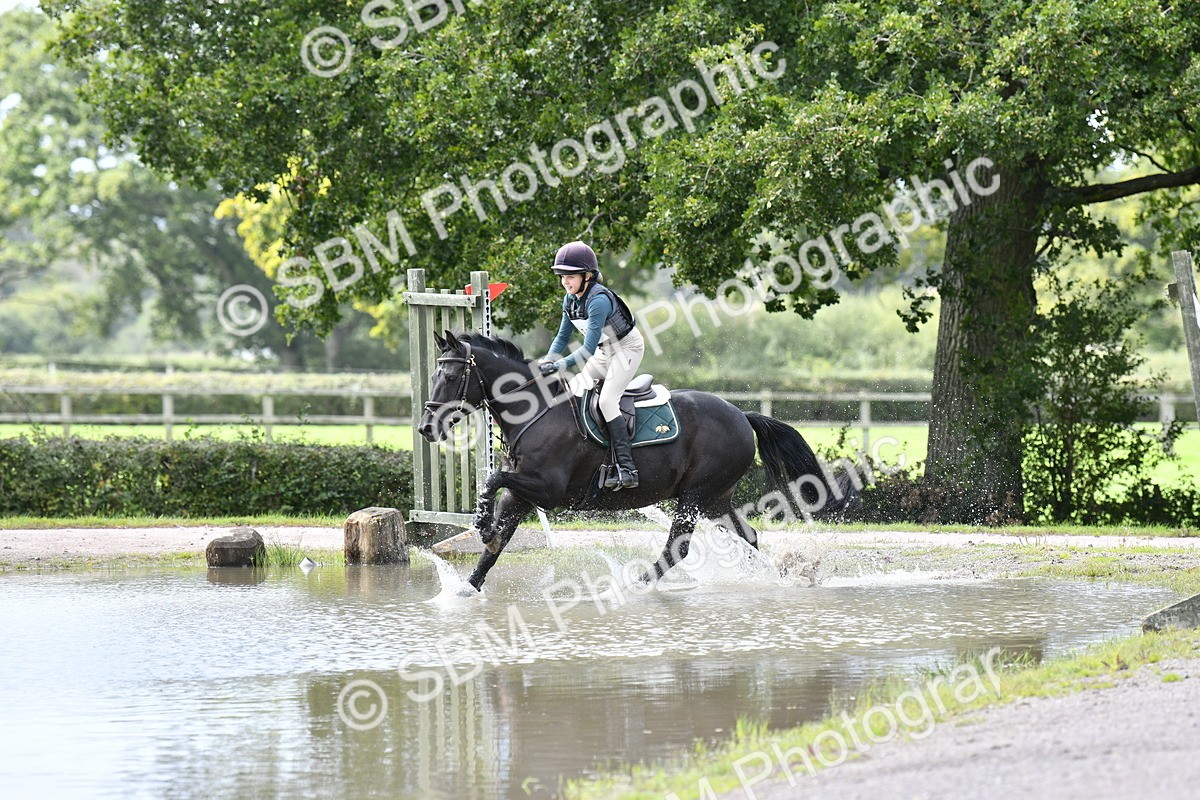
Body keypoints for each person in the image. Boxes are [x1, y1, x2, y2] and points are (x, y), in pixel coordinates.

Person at [538, 241, 645, 489]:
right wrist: (548, 359)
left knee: (608, 400)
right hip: (604, 351)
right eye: (562, 276)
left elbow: (585, 348)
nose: (566, 281)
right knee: (575, 391)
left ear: (587, 276)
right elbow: (562, 338)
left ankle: (628, 469)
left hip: (627, 349)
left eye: (571, 276)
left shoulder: (598, 301)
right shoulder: (570, 300)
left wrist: (559, 365)